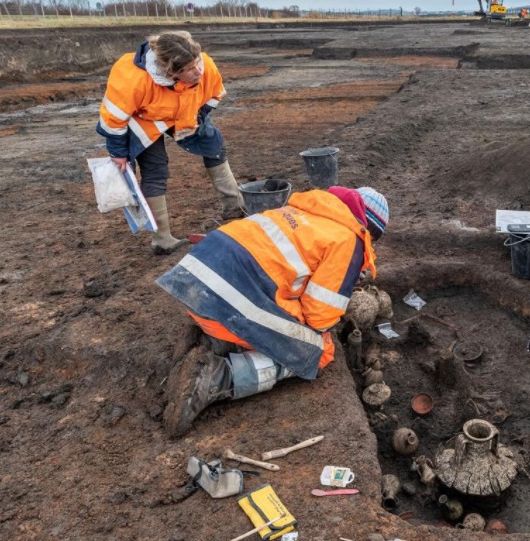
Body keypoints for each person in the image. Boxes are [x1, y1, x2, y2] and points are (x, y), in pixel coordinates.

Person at [156, 185, 390, 436]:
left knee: (276, 313)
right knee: (318, 350)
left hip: (195, 288)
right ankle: (217, 377)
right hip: (226, 300)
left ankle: (214, 341)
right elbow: (319, 317)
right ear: (369, 231)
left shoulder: (305, 208)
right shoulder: (349, 239)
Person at [97, 31, 246, 254]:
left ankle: (235, 208)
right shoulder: (132, 77)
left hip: (185, 112)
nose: (198, 71)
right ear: (170, 72)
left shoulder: (205, 66)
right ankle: (162, 239)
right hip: (145, 121)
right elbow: (113, 118)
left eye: (197, 63)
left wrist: (200, 115)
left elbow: (215, 94)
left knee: (214, 146)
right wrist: (118, 152)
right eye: (189, 69)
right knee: (155, 170)